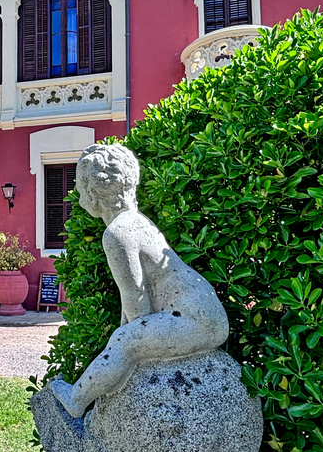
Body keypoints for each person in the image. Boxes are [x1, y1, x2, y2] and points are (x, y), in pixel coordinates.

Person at [50, 144, 230, 418]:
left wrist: (122, 347)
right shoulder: (137, 221)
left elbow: (136, 306)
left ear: (91, 191)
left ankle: (76, 398)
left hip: (196, 320)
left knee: (125, 339)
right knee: (125, 338)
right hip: (206, 313)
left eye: (79, 183)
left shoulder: (117, 234)